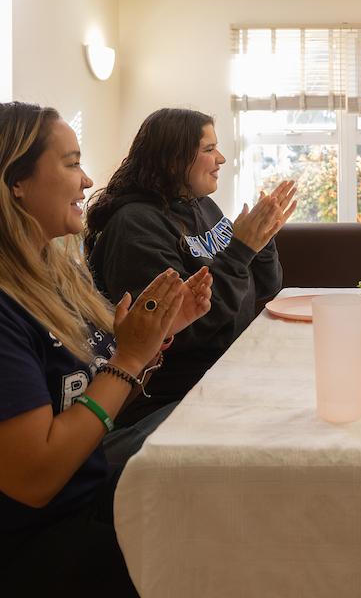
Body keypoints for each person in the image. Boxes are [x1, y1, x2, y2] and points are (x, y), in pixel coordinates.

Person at [0, 102, 213, 595]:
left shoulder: (59, 275)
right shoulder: (10, 305)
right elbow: (35, 479)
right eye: (72, 163)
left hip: (89, 482)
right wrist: (129, 359)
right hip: (43, 535)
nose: (88, 179)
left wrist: (153, 339)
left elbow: (91, 404)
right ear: (16, 181)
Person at [86, 108, 296, 425]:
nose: (221, 158)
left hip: (224, 373)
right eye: (209, 149)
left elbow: (264, 288)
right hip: (174, 397)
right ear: (173, 160)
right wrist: (241, 249)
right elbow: (188, 329)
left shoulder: (202, 206)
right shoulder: (135, 227)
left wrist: (261, 239)